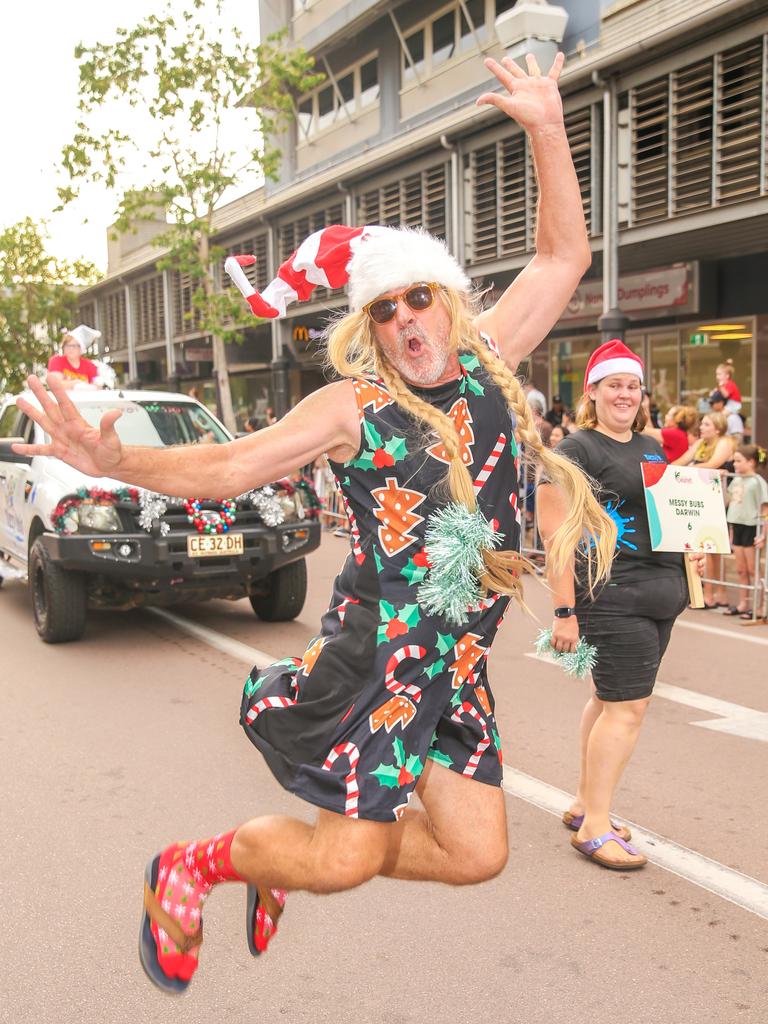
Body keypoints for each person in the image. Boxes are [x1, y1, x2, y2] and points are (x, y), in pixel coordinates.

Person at [15, 53, 616, 995]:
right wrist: (115, 459)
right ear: (370, 326)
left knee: (475, 851)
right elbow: (228, 466)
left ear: (447, 301)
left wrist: (546, 125)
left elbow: (562, 256)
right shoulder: (352, 408)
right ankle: (197, 868)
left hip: (456, 664)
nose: (408, 320)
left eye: (420, 298)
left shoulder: (493, 359)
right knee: (343, 858)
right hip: (380, 657)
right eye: (386, 309)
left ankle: (281, 858)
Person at [537, 339, 704, 871]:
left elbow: (667, 516)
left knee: (610, 701)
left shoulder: (651, 447)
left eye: (633, 385)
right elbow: (554, 529)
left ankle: (588, 804)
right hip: (612, 595)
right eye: (615, 385)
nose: (626, 394)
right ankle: (594, 828)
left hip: (660, 592)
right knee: (628, 709)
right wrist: (564, 610)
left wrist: (691, 543)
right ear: (593, 392)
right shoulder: (576, 450)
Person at [676, 411, 733, 607]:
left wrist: (688, 469)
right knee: (706, 547)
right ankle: (710, 592)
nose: (701, 427)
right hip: (701, 496)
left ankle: (716, 592)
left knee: (712, 547)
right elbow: (682, 460)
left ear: (717, 428)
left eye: (707, 424)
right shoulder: (701, 443)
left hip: (717, 498)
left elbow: (714, 463)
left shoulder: (725, 442)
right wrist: (665, 471)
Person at [724, 445, 768, 618]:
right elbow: (729, 500)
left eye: (738, 460)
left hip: (752, 527)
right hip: (737, 526)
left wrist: (764, 535)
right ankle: (743, 603)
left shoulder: (757, 482)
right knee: (741, 569)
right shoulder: (736, 479)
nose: (734, 464)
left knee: (752, 569)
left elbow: (765, 511)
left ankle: (759, 606)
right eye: (734, 460)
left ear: (751, 462)